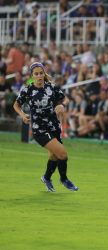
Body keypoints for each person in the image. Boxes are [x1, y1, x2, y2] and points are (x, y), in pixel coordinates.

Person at [13, 62, 79, 192]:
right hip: (39, 129)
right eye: (36, 74)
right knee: (62, 154)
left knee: (54, 155)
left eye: (41, 73)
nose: (39, 76)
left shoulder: (51, 87)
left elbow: (65, 99)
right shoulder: (28, 90)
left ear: (44, 74)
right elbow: (16, 105)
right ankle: (64, 179)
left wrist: (62, 105)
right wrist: (22, 115)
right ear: (32, 76)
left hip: (54, 126)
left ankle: (46, 177)